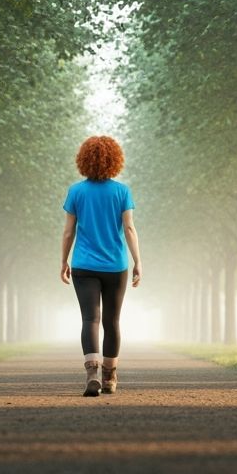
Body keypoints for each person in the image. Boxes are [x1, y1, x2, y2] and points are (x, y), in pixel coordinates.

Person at [60, 134, 142, 397]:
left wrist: (63, 260)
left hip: (83, 265)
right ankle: (109, 377)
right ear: (115, 160)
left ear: (83, 160)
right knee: (112, 321)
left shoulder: (76, 191)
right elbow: (129, 228)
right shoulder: (122, 191)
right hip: (116, 266)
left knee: (90, 319)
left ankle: (92, 374)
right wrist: (138, 261)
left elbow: (68, 232)